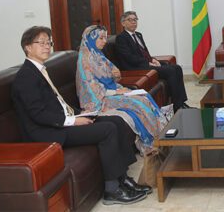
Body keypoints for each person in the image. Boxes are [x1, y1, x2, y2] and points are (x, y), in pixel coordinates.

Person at [11, 26, 150, 205]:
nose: (47, 46)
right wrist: (73, 121)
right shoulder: (26, 77)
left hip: (60, 122)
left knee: (116, 120)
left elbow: (57, 104)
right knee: (107, 129)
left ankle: (123, 179)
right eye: (41, 43)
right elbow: (38, 114)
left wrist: (80, 113)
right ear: (28, 47)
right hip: (47, 132)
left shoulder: (40, 70)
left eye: (49, 43)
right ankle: (112, 189)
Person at [76, 24, 168, 155]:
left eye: (105, 38)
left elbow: (112, 73)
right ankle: (152, 142)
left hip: (112, 91)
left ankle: (161, 135)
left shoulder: (98, 54)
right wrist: (116, 92)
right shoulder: (84, 61)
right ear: (91, 39)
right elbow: (91, 89)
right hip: (99, 99)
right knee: (138, 103)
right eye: (101, 38)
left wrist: (116, 74)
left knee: (144, 96)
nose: (104, 41)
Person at [115, 11, 192, 112]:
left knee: (177, 68)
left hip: (145, 63)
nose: (133, 22)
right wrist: (147, 63)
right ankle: (177, 106)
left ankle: (181, 102)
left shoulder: (138, 35)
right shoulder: (121, 38)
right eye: (130, 20)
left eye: (135, 19)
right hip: (136, 68)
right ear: (123, 23)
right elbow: (129, 57)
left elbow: (144, 52)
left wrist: (152, 59)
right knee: (171, 71)